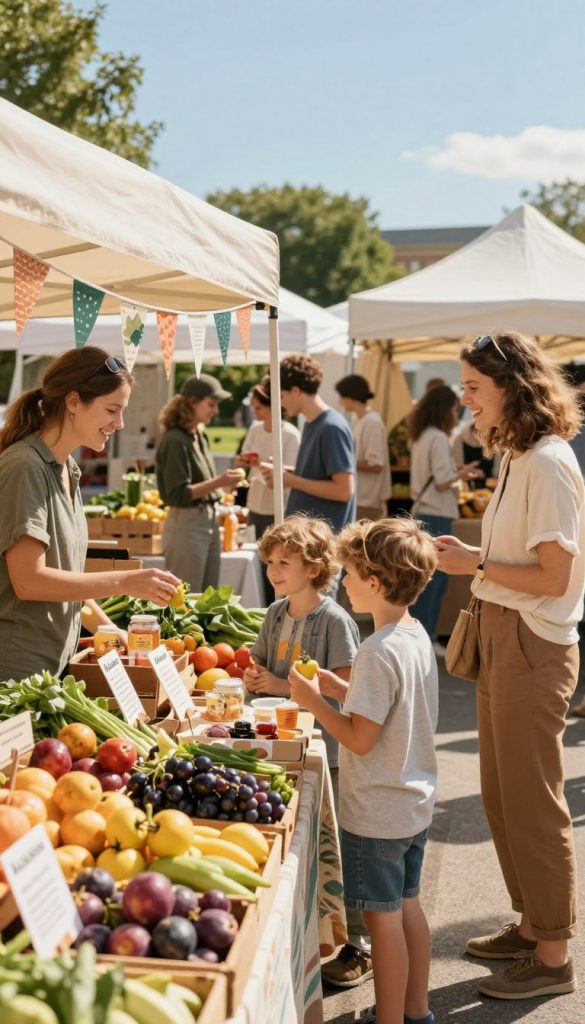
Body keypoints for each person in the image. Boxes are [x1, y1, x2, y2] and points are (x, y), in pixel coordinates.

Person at [437, 332, 584, 1001]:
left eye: (472, 386)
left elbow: (555, 577)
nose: (463, 398)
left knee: (530, 802)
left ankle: (552, 956)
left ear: (510, 386)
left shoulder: (548, 462)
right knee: (501, 797)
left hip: (531, 639)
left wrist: (474, 565)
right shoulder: (519, 457)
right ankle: (532, 926)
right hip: (505, 630)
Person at [289, 517, 439, 1024]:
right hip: (411, 802)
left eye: (349, 574)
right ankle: (416, 1011)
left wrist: (312, 700)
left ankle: (389, 1019)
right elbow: (391, 710)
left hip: (375, 810)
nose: (342, 582)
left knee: (383, 923)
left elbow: (359, 737)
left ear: (374, 584)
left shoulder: (375, 652)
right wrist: (338, 688)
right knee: (409, 908)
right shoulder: (414, 635)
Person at [0, 347, 180, 680]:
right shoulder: (25, 466)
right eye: (112, 410)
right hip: (18, 667)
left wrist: (115, 633)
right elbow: (28, 581)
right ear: (73, 402)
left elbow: (69, 579)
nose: (120, 423)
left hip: (53, 662)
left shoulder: (67, 467)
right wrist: (125, 581)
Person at [408, 385, 482, 656]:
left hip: (422, 510)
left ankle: (421, 634)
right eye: (454, 407)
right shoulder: (438, 437)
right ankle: (426, 635)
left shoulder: (421, 436)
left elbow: (436, 475)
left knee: (424, 581)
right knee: (434, 583)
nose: (457, 411)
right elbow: (441, 481)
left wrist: (457, 471)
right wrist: (460, 475)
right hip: (436, 511)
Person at [156, 374, 242, 593]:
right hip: (187, 524)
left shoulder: (198, 436)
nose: (215, 410)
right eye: (211, 404)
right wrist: (220, 482)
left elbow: (205, 484)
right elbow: (177, 494)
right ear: (192, 402)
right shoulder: (175, 440)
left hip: (208, 520)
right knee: (186, 596)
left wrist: (225, 482)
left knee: (207, 596)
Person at [260, 354, 355, 533]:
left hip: (323, 543)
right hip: (311, 540)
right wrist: (284, 473)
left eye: (281, 396)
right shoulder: (314, 424)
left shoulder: (331, 428)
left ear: (296, 391)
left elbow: (344, 491)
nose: (280, 404)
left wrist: (291, 480)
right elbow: (319, 475)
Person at [236, 374, 301, 539]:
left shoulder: (290, 434)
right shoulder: (255, 428)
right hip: (254, 503)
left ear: (272, 406)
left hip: (278, 507)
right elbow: (244, 457)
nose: (254, 412)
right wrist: (243, 461)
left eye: (258, 408)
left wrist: (260, 464)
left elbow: (292, 472)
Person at [335, 374, 391, 521]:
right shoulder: (358, 419)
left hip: (368, 502)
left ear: (351, 397)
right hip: (359, 499)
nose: (340, 401)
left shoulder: (372, 422)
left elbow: (376, 464)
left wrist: (344, 462)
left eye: (342, 396)